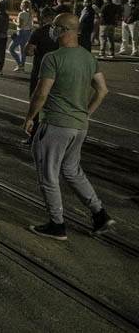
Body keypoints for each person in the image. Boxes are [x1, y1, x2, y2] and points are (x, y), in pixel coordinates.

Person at [23, 13, 113, 240]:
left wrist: (30, 117)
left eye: (54, 27)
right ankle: (100, 214)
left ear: (63, 30)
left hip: (55, 124)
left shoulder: (53, 58)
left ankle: (57, 224)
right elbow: (102, 90)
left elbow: (41, 93)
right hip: (79, 125)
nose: (51, 30)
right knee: (72, 171)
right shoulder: (88, 57)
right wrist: (86, 113)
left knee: (48, 175)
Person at [10, 0, 34, 71]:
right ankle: (22, 66)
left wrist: (14, 22)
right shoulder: (30, 14)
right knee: (22, 50)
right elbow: (31, 25)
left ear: (23, 6)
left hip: (21, 33)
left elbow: (20, 25)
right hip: (28, 33)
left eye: (21, 4)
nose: (20, 5)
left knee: (11, 49)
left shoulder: (22, 14)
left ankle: (19, 64)